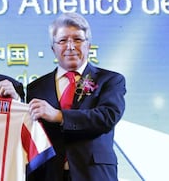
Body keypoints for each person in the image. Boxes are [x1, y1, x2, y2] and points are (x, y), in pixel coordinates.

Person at [26, 12, 126, 181]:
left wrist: (58, 116)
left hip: (94, 174)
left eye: (78, 39)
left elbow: (107, 117)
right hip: (49, 174)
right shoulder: (36, 87)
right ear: (53, 48)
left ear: (89, 45)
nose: (70, 46)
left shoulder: (110, 80)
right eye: (63, 40)